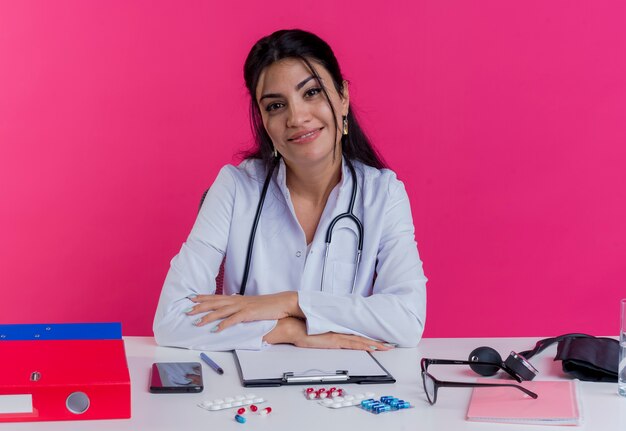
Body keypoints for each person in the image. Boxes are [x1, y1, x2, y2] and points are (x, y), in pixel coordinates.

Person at [153, 29, 427, 351]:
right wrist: (287, 330)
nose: (296, 117)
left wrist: (291, 303)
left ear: (343, 98)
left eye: (311, 93)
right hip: (251, 389)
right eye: (275, 106)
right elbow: (171, 321)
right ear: (264, 122)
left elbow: (407, 320)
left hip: (346, 387)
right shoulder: (236, 187)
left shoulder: (383, 194)